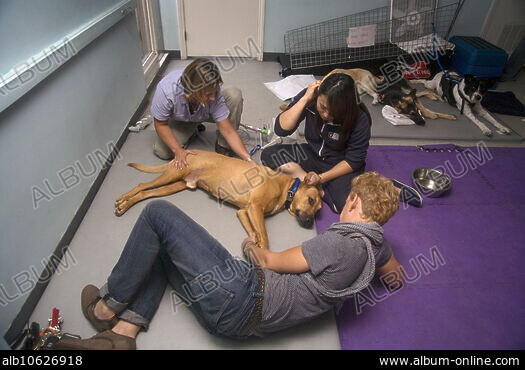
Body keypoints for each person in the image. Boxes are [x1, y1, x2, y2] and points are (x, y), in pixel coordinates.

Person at [54, 171, 403, 350]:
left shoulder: (337, 245)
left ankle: (106, 307)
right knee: (163, 248)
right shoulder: (374, 245)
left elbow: (267, 261)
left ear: (354, 201)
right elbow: (392, 271)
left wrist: (250, 246)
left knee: (158, 214)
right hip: (236, 325)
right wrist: (392, 274)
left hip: (242, 294)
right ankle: (122, 334)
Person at [260, 73, 372, 214]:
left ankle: (318, 187)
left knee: (344, 206)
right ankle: (310, 182)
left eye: (333, 112)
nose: (325, 115)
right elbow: (281, 129)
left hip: (338, 165)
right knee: (268, 156)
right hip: (313, 154)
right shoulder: (311, 97)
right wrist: (305, 99)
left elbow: (353, 161)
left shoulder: (359, 119)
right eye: (323, 107)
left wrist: (321, 178)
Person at [151, 58, 252, 168]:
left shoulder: (213, 93)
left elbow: (228, 131)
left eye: (215, 92)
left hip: (204, 111)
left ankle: (223, 146)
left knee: (234, 94)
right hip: (181, 118)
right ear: (191, 90)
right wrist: (178, 150)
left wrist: (248, 159)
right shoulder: (166, 91)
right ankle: (192, 129)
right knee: (163, 152)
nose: (213, 98)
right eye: (208, 94)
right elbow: (160, 124)